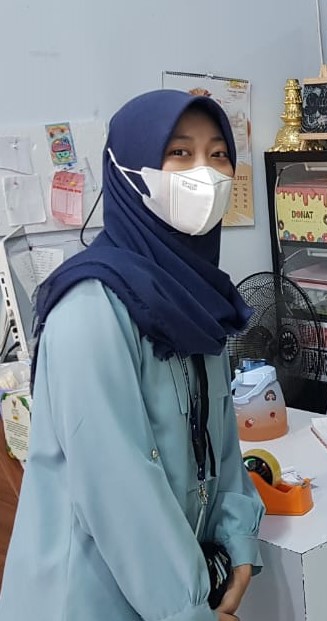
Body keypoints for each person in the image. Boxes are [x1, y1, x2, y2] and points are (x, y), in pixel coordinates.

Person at [0, 90, 264, 621]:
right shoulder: (89, 309)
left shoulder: (196, 300)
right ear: (128, 171)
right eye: (179, 153)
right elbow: (119, 489)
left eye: (218, 154)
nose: (205, 173)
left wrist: (238, 543)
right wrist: (188, 611)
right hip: (86, 600)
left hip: (173, 594)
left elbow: (221, 442)